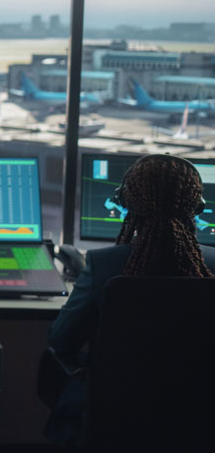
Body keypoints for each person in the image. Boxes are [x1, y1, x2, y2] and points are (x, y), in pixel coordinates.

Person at [45, 154, 215, 447]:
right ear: (197, 206)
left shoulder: (103, 264)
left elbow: (61, 340)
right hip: (197, 419)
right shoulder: (211, 265)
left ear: (125, 202)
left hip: (114, 417)